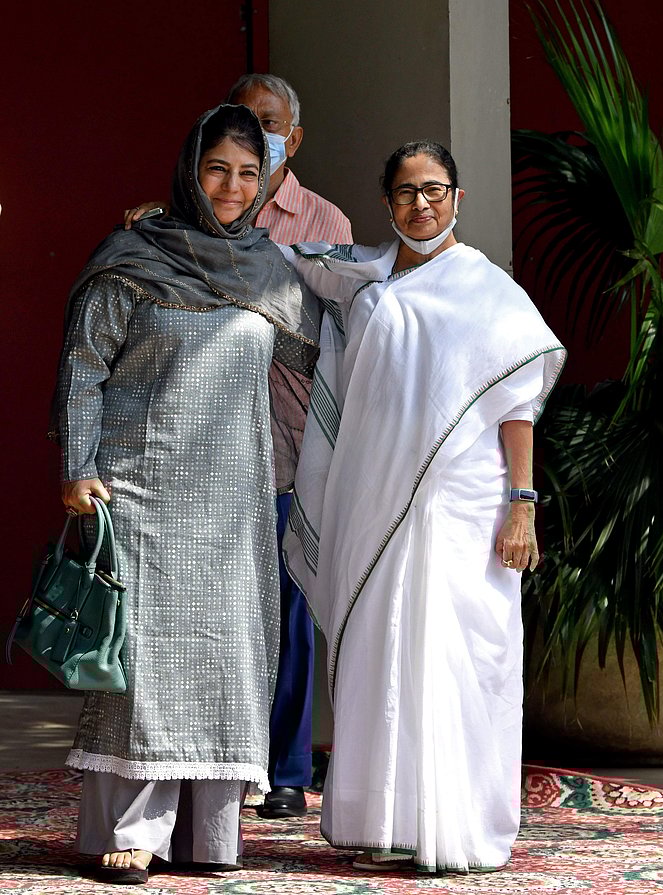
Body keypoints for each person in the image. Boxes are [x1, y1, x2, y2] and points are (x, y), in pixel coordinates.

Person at [280, 141, 565, 872]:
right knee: (382, 651)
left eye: (434, 190)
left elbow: (516, 408)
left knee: (460, 656)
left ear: (457, 198)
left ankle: (455, 826)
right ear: (387, 203)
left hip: (463, 505)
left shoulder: (487, 290)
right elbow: (269, 255)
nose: (421, 204)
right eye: (406, 192)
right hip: (372, 500)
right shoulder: (362, 282)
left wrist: (523, 504)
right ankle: (385, 822)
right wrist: (165, 221)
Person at [55, 104, 319, 884]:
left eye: (248, 173)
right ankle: (134, 827)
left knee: (221, 660)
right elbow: (82, 367)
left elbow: (327, 347)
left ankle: (207, 833)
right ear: (188, 171)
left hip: (235, 498)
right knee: (150, 661)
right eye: (217, 170)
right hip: (141, 489)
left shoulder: (269, 269)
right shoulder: (134, 255)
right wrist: (76, 465)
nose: (232, 187)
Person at [127, 73, 353, 820]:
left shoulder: (323, 220)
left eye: (270, 126)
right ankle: (202, 764)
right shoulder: (176, 223)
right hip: (196, 444)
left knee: (286, 607)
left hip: (287, 436)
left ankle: (284, 767)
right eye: (244, 121)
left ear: (294, 138)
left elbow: (336, 332)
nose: (257, 137)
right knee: (202, 608)